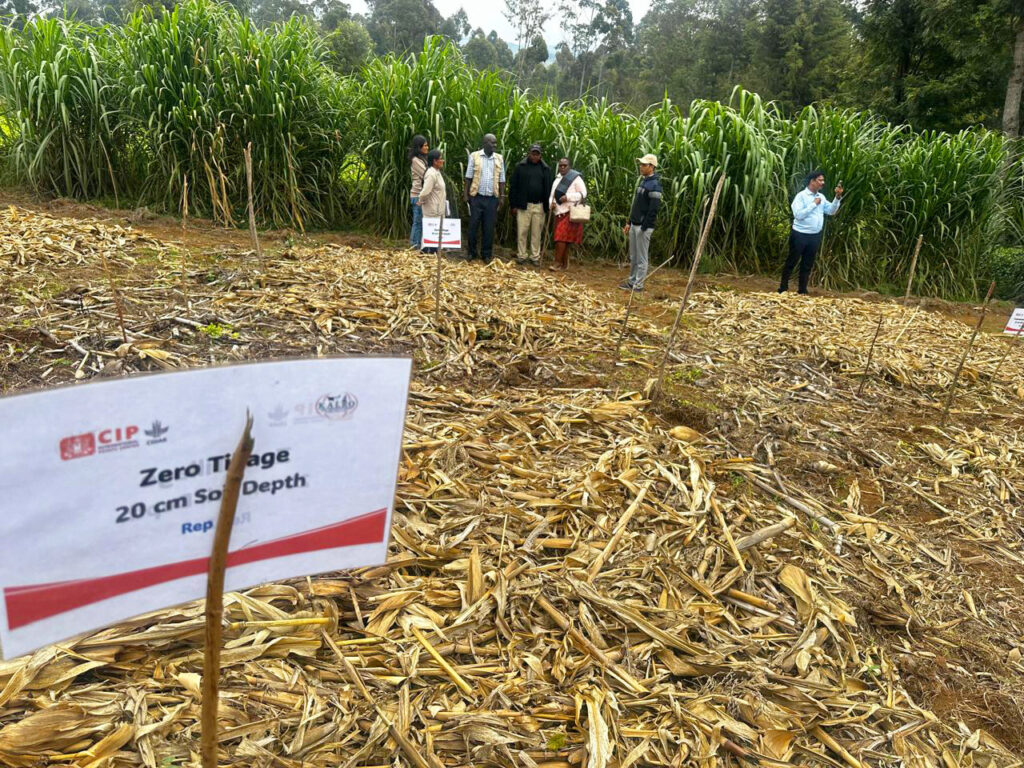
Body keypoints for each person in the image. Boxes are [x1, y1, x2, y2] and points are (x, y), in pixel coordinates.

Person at [779, 170, 843, 295]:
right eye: (820, 180)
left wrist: (837, 198)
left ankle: (802, 290)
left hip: (814, 236)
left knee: (807, 264)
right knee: (792, 261)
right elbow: (798, 215)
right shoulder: (801, 196)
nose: (822, 183)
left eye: (823, 180)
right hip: (800, 234)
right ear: (812, 181)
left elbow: (831, 211)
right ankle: (783, 288)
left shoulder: (821, 197)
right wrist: (813, 204)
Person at [620, 154, 663, 291]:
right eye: (641, 164)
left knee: (641, 258)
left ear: (651, 167)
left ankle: (638, 285)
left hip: (643, 227)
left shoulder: (655, 185)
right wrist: (629, 222)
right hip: (635, 225)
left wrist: (644, 227)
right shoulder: (644, 182)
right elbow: (636, 206)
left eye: (644, 165)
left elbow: (654, 209)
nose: (641, 167)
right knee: (634, 256)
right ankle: (632, 282)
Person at [463, 133, 505, 264]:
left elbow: (502, 179)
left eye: (495, 143)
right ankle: (471, 252)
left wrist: (502, 196)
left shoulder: (499, 158)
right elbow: (468, 177)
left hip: (492, 199)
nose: (495, 145)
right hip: (476, 197)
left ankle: (486, 254)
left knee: (489, 228)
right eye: (492, 143)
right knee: (473, 227)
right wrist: (466, 194)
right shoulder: (474, 156)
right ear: (485, 143)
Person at [509, 143, 552, 266]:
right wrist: (513, 205)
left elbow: (549, 188)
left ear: (540, 155)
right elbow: (513, 187)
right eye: (533, 153)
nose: (535, 156)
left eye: (537, 154)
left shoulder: (545, 169)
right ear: (529, 153)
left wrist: (548, 205)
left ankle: (535, 257)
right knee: (522, 232)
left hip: (539, 206)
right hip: (524, 206)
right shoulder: (520, 167)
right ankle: (521, 255)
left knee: (536, 233)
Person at [548, 158, 587, 271]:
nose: (562, 167)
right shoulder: (557, 179)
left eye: (565, 165)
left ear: (569, 166)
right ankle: (564, 264)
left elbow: (583, 193)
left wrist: (568, 197)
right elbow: (552, 195)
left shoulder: (575, 178)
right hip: (558, 212)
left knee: (560, 238)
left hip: (569, 212)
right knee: (563, 239)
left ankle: (557, 263)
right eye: (561, 165)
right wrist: (551, 204)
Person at [417, 150, 446, 254]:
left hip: (438, 209)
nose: (443, 161)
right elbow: (425, 191)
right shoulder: (431, 174)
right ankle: (426, 252)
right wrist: (420, 200)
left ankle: (432, 252)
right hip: (433, 209)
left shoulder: (437, 172)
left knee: (435, 233)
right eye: (441, 158)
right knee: (431, 231)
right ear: (434, 161)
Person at [409, 135, 430, 249]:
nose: (427, 147)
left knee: (421, 221)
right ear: (419, 147)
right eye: (424, 146)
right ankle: (414, 244)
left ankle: (420, 244)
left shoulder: (422, 159)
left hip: (422, 195)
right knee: (418, 221)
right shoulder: (415, 160)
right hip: (417, 195)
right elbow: (426, 174)